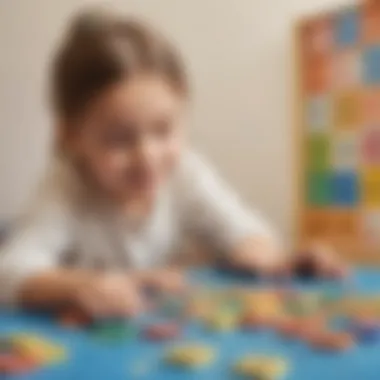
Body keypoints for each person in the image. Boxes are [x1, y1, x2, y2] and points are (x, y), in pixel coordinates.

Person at [0, 9, 346, 318]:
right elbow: (11, 271)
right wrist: (80, 286)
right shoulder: (67, 185)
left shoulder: (185, 172)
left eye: (164, 130)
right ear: (70, 136)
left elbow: (245, 234)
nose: (148, 156)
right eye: (119, 139)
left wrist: (286, 262)